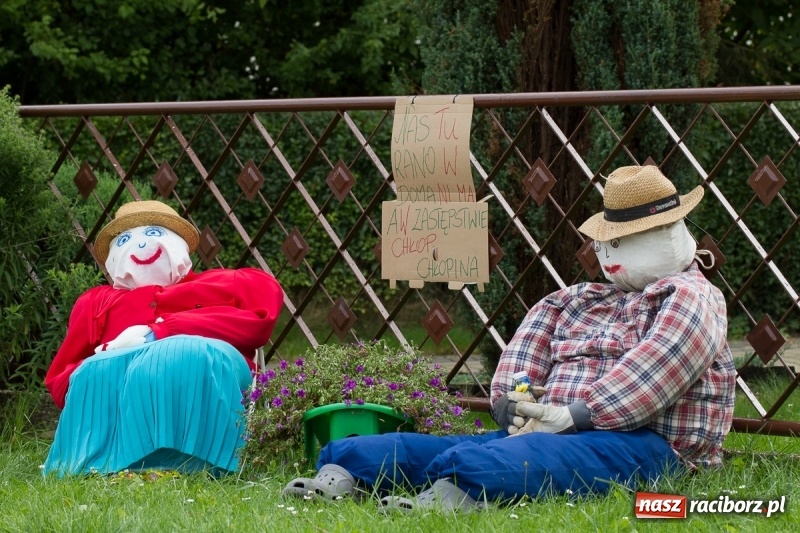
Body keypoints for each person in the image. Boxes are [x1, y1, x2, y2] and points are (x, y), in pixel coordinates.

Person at [282, 165, 736, 512]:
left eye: (627, 244)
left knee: (530, 456)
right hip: (545, 429)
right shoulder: (577, 300)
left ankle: (455, 492)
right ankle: (348, 468)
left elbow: (657, 369)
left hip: (648, 444)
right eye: (608, 246)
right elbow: (529, 347)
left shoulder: (690, 297)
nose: (611, 261)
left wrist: (573, 415)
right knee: (469, 443)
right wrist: (512, 403)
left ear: (670, 234)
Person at [44, 200, 283, 476]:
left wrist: (159, 331)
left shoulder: (222, 282)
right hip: (116, 390)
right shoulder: (96, 303)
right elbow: (63, 379)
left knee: (183, 354)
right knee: (96, 372)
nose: (141, 246)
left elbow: (258, 320)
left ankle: (201, 461)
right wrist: (108, 358)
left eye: (154, 233)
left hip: (208, 362)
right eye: (125, 239)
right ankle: (104, 464)